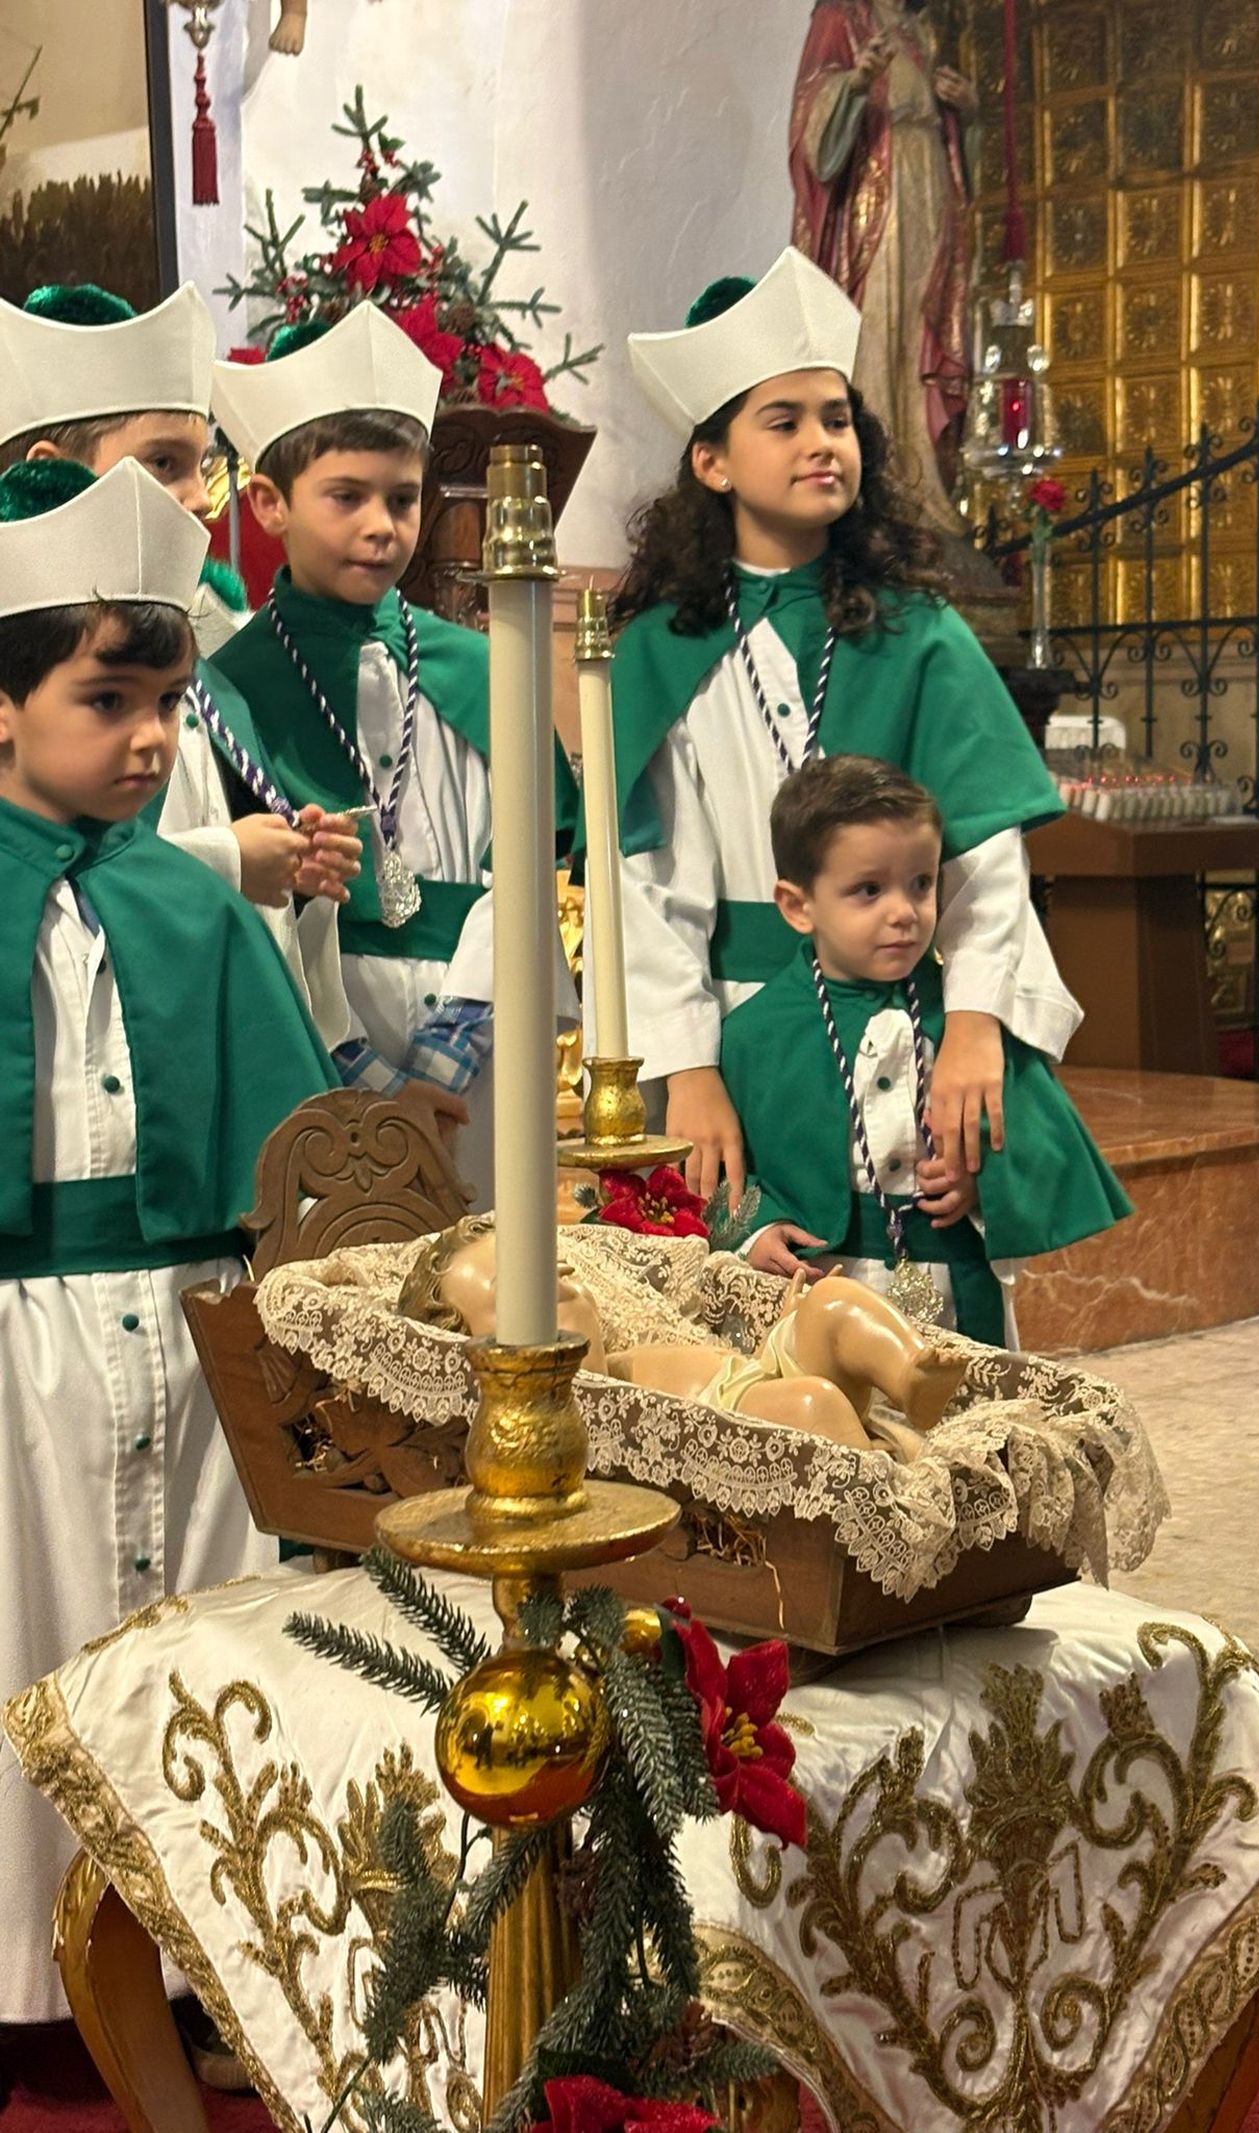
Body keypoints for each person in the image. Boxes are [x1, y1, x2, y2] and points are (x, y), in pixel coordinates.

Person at [0, 457, 341, 2023]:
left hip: (192, 1332)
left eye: (166, 700)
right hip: (21, 1357)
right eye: (108, 701)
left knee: (199, 1647)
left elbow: (291, 1157)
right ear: (6, 708)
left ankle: (203, 1973)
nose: (151, 740)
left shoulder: (198, 908)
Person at [615, 247, 1079, 1203]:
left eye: (837, 419)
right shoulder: (662, 653)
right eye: (781, 423)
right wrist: (686, 1064)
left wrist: (980, 1018)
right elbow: (647, 884)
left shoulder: (919, 633)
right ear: (711, 461)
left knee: (929, 1300)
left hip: (913, 1018)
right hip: (741, 1029)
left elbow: (986, 858)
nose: (819, 442)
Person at [208, 304, 579, 1173]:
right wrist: (370, 1076)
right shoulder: (233, 685)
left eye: (403, 498)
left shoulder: (488, 667)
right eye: (348, 496)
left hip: (480, 1036)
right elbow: (253, 901)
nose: (384, 524)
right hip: (317, 1043)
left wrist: (448, 1051)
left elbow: (527, 871)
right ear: (269, 504)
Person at [0, 283, 360, 1041]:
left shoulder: (214, 676)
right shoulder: (24, 679)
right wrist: (228, 860)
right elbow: (41, 876)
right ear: (53, 469)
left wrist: (296, 870)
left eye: (204, 464)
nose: (201, 498)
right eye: (164, 462)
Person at [717, 756, 1130, 1344]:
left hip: (953, 1294)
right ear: (798, 905)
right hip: (819, 1298)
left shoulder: (966, 1027)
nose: (904, 912)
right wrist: (755, 1232)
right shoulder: (757, 1033)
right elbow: (723, 1176)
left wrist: (981, 1186)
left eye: (922, 884)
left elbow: (1040, 1145)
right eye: (868, 890)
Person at [788, 0, 976, 532]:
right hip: (878, 201)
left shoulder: (921, 28)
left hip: (928, 192)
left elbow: (961, 153)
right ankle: (874, 488)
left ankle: (922, 489)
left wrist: (968, 114)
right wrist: (854, 82)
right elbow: (812, 136)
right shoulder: (840, 16)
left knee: (922, 335)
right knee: (880, 330)